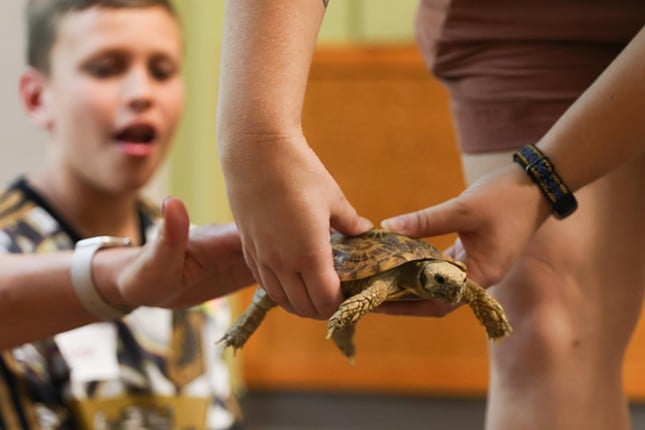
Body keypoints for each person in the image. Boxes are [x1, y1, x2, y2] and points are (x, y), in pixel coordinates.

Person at [215, 1, 644, 429]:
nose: (450, 284)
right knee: (545, 330)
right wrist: (257, 135)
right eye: (445, 278)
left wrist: (540, 182)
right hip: (521, 20)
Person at [0, 1, 254, 428]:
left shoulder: (193, 259)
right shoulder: (11, 253)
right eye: (105, 68)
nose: (142, 93)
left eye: (162, 70)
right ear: (37, 96)